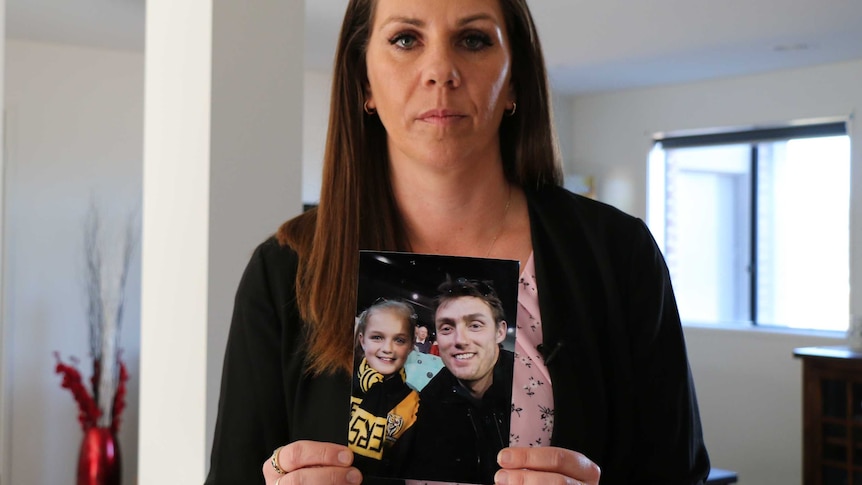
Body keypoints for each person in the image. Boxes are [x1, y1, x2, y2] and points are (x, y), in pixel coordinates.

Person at [205, 0, 710, 484]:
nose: (440, 71)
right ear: (365, 81)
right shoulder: (285, 271)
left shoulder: (619, 255)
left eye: (472, 39)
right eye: (406, 39)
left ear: (514, 78)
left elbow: (677, 473)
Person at [400, 278, 514, 484]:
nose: (460, 340)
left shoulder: (532, 387)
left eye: (475, 325)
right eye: (446, 328)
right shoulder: (429, 401)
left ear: (500, 332)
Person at [349, 299, 420, 478]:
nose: (388, 348)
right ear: (362, 340)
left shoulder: (413, 402)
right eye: (377, 337)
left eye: (399, 340)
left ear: (411, 346)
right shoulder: (338, 386)